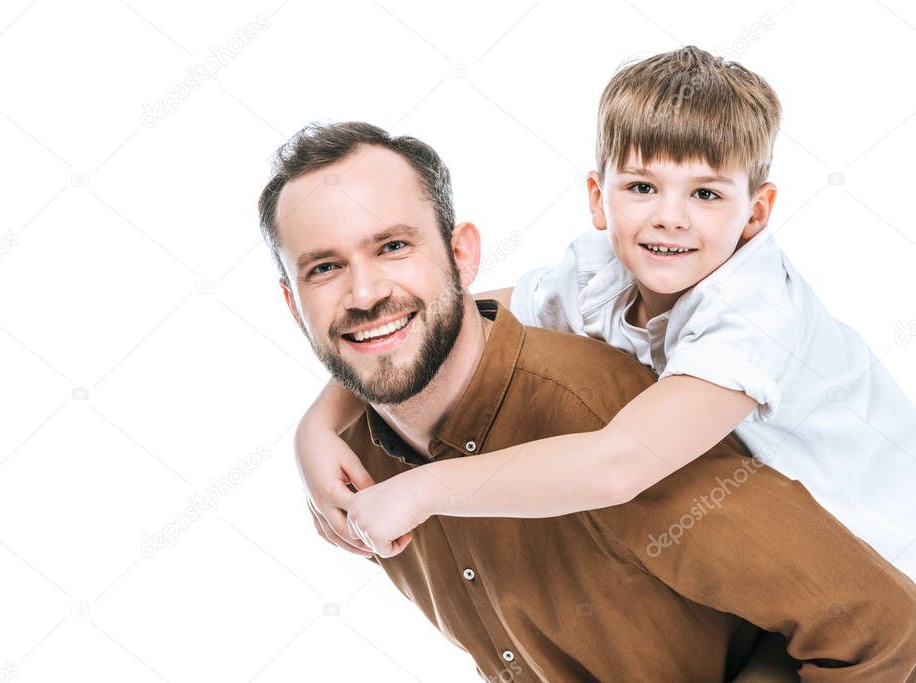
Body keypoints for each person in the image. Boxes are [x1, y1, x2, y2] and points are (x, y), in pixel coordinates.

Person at [257, 120, 916, 680]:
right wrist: (311, 428)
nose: (365, 290)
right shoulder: (356, 469)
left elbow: (880, 626)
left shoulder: (602, 411)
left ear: (462, 256)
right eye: (323, 267)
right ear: (292, 302)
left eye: (393, 245)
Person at [295, 47, 916, 582]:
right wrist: (316, 429)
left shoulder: (753, 314)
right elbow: (444, 318)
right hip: (770, 564)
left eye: (705, 194)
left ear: (755, 214)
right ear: (598, 197)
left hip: (886, 574)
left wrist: (424, 490)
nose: (670, 217)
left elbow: (618, 466)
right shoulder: (599, 272)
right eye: (642, 187)